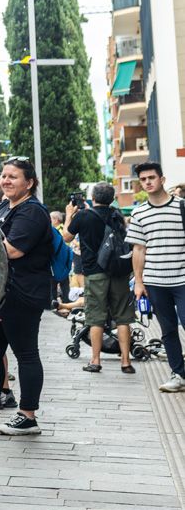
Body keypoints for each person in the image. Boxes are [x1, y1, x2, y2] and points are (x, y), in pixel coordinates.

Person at [0, 158, 53, 436]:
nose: (6, 181)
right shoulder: (5, 206)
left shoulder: (32, 212)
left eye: (13, 177)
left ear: (29, 183)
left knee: (25, 353)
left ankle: (28, 416)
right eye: (3, 176)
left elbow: (13, 249)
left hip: (23, 294)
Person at [127, 161, 185, 392]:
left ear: (162, 179)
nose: (148, 182)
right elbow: (138, 250)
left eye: (152, 177)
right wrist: (139, 283)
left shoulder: (181, 206)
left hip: (182, 278)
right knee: (168, 330)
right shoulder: (139, 212)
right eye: (143, 179)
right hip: (155, 281)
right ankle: (178, 374)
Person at [66, 181, 136, 373]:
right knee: (123, 318)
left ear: (93, 198)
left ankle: (96, 361)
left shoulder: (83, 216)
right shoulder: (117, 215)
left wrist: (68, 216)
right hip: (119, 272)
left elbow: (66, 237)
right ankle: (125, 362)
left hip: (94, 273)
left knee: (95, 318)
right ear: (112, 199)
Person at [49, 209, 74, 308]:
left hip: (58, 260)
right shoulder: (64, 228)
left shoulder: (57, 230)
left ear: (55, 220)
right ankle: (66, 302)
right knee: (64, 282)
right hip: (64, 259)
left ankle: (55, 302)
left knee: (54, 283)